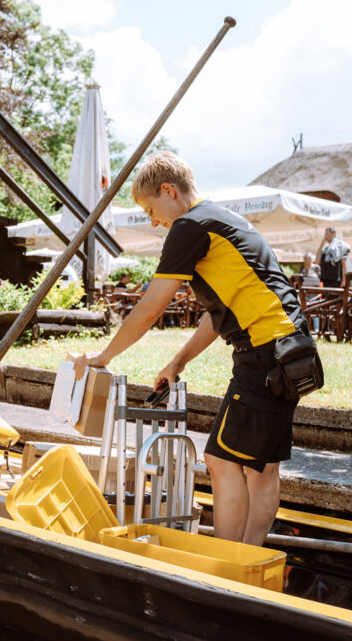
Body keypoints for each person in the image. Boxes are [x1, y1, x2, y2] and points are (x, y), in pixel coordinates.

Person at [74, 152, 312, 547]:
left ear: (169, 190)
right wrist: (177, 360)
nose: (153, 221)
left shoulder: (188, 227)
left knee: (221, 461)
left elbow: (151, 307)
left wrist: (104, 357)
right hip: (290, 349)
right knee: (262, 469)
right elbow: (218, 313)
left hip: (264, 353)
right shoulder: (223, 220)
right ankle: (244, 564)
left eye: (152, 208)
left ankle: (226, 567)